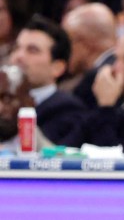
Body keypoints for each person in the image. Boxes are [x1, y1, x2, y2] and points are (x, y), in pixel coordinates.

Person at [10, 15, 87, 146]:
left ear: (57, 67)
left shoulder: (67, 110)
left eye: (32, 50)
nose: (19, 56)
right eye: (17, 48)